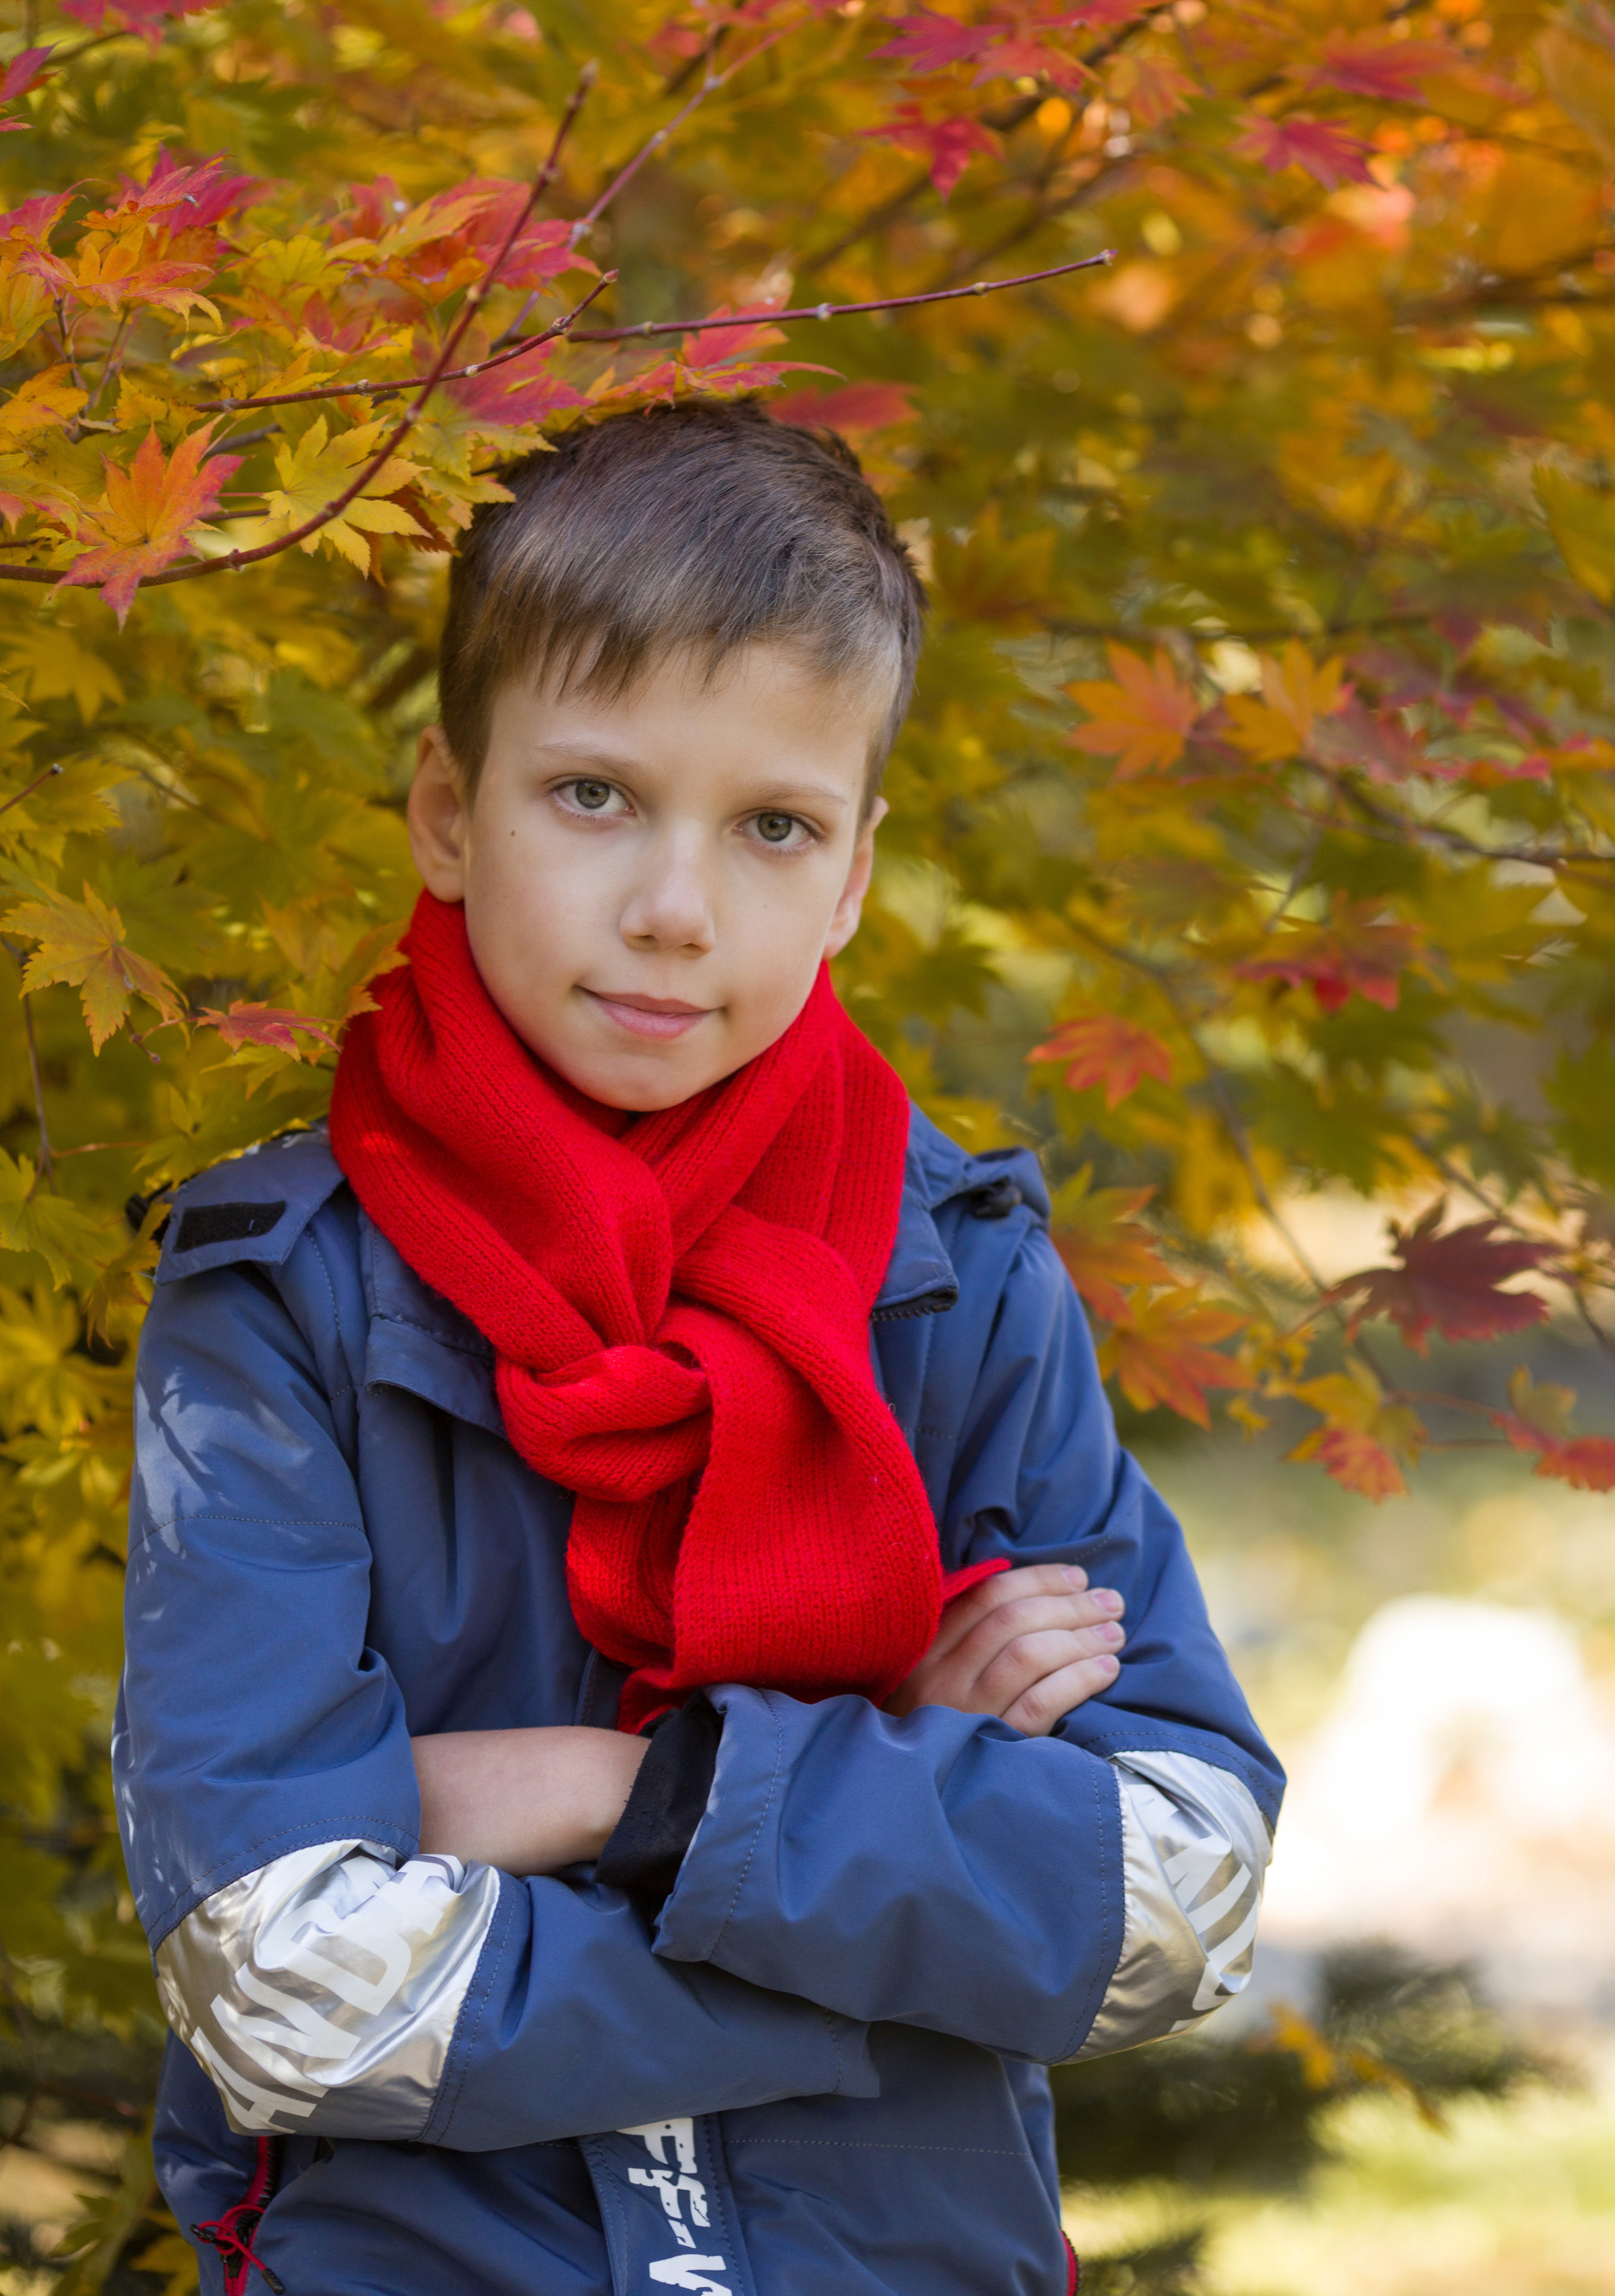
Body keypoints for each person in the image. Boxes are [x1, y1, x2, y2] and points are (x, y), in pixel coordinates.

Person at [113, 402, 1283, 2296]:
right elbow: (289, 1980)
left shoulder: (956, 1272)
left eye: (772, 827)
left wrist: (629, 1793)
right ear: (448, 811)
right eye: (594, 795)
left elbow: (1178, 1898)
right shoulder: (285, 1294)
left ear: (854, 874)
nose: (674, 910)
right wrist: (898, 1846)